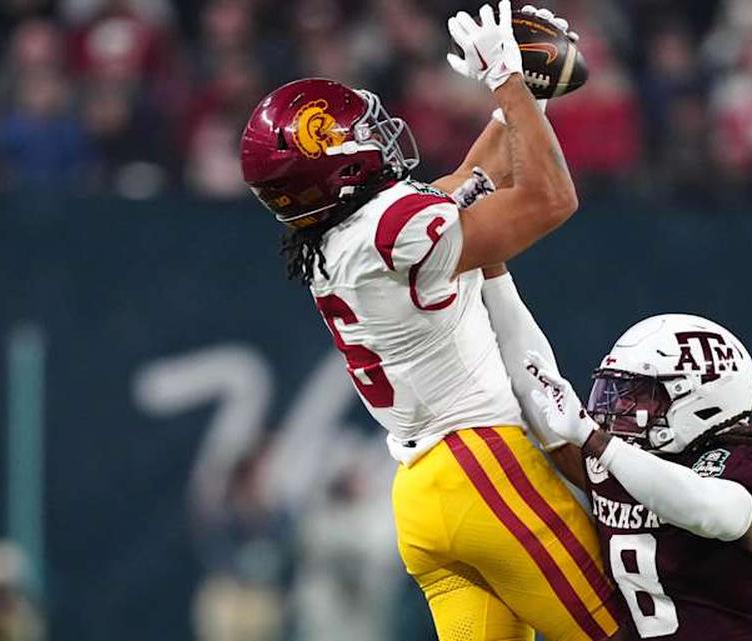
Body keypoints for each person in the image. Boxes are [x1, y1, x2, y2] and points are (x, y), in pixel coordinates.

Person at [238, 4, 618, 641]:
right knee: (627, 630)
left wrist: (526, 98)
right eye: (361, 131)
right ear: (338, 162)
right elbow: (551, 198)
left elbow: (474, 179)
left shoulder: (343, 239)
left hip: (421, 496)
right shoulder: (394, 228)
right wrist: (506, 81)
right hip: (484, 469)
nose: (381, 133)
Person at [481, 275, 752, 640]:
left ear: (700, 400)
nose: (621, 407)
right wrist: (493, 276)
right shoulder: (620, 463)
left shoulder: (751, 460)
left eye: (641, 395)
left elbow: (708, 511)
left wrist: (597, 441)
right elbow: (539, 384)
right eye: (618, 391)